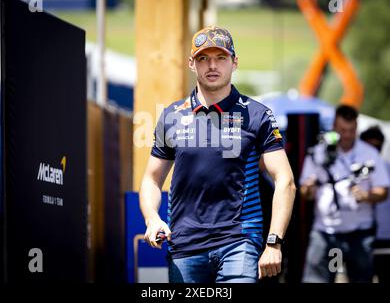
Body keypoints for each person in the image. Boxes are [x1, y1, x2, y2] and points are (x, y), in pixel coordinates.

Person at [139, 26, 296, 283]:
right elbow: (151, 179)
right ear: (192, 63)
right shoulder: (171, 116)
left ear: (234, 62)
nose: (212, 66)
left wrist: (274, 242)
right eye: (203, 58)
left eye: (220, 58)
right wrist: (152, 219)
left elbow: (285, 181)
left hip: (239, 242)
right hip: (185, 246)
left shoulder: (258, 115)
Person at [300, 105, 390, 283]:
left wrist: (367, 196)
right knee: (316, 280)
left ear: (357, 127)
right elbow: (304, 192)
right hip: (325, 231)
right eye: (342, 130)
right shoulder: (318, 153)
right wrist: (308, 189)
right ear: (334, 126)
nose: (347, 135)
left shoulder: (369, 153)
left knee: (360, 279)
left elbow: (382, 191)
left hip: (359, 234)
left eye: (351, 130)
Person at [360, 125, 390, 283]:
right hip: (360, 239)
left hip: (385, 241)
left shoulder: (387, 168)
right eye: (369, 146)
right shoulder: (352, 170)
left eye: (377, 146)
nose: (373, 151)